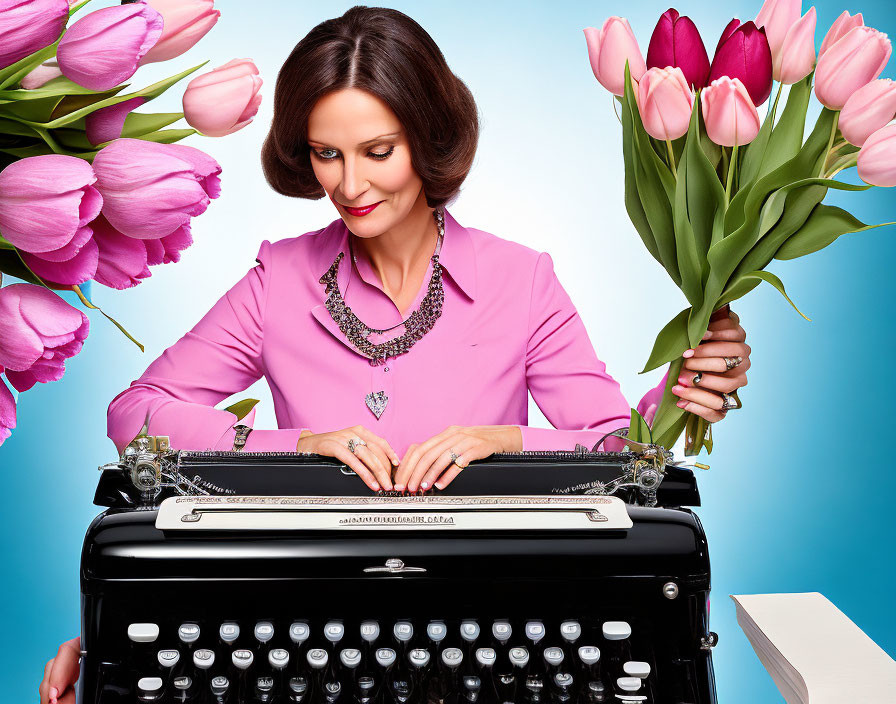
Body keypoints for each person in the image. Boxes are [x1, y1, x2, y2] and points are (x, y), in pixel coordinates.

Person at [38, 6, 750, 703]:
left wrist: (511, 438)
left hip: (492, 598)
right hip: (305, 607)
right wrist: (124, 633)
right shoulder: (279, 280)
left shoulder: (519, 278)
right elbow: (134, 412)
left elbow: (617, 449)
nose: (349, 186)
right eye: (327, 153)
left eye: (378, 151)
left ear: (429, 137)